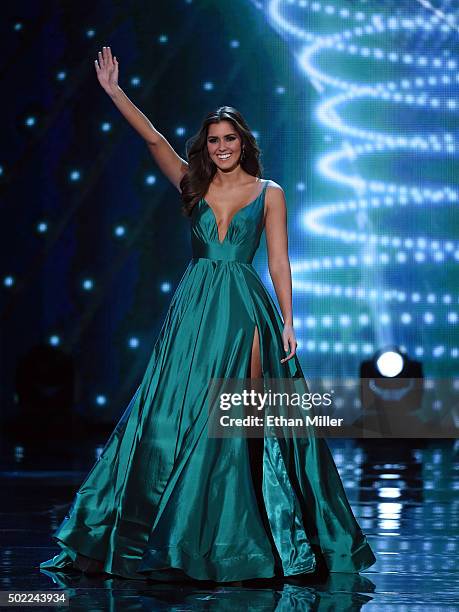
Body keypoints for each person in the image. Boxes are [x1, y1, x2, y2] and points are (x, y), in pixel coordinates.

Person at [40, 46, 376, 583]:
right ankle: (168, 536)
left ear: (244, 142)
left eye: (230, 139)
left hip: (245, 310)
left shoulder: (270, 193)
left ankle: (243, 541)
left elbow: (279, 261)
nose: (222, 147)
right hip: (193, 314)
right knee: (172, 415)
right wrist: (113, 92)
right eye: (214, 141)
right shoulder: (191, 184)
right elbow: (152, 138)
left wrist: (289, 320)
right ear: (207, 146)